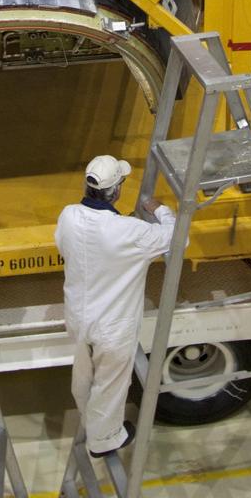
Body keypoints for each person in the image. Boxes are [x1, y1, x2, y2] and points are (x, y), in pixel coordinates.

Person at [54, 155, 177, 456]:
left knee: (84, 374)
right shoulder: (128, 232)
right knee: (110, 385)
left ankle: (89, 419)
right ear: (116, 190)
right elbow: (176, 238)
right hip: (112, 327)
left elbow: (66, 244)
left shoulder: (68, 216)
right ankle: (105, 440)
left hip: (79, 317)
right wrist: (161, 210)